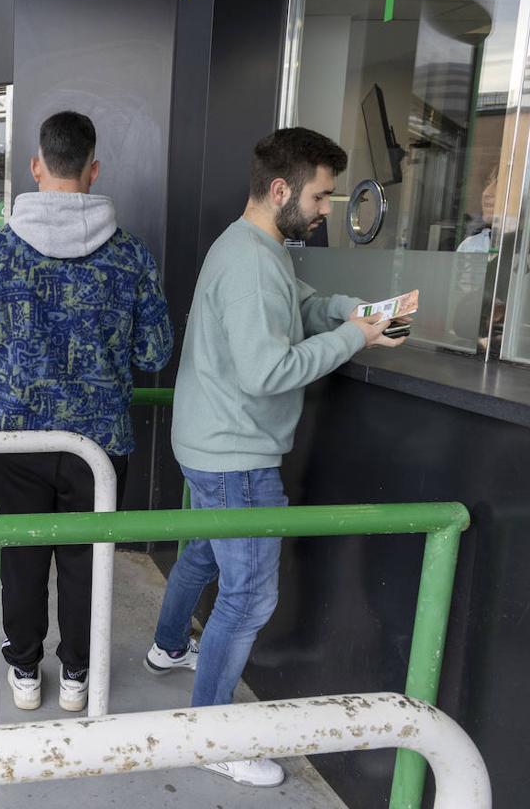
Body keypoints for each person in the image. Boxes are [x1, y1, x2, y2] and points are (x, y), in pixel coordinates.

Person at [143, 127, 404, 788]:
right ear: (282, 189)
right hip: (236, 455)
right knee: (249, 596)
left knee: (202, 552)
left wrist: (358, 314)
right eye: (320, 197)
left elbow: (302, 307)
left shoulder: (254, 247)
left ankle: (168, 646)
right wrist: (351, 339)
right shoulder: (254, 259)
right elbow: (269, 372)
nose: (325, 211)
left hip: (210, 443)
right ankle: (209, 736)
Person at [0, 111, 173, 712]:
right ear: (94, 170)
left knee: (19, 556)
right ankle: (75, 676)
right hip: (99, 446)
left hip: (16, 439)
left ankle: (23, 671)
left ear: (36, 166)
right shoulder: (132, 256)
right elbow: (155, 351)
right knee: (86, 561)